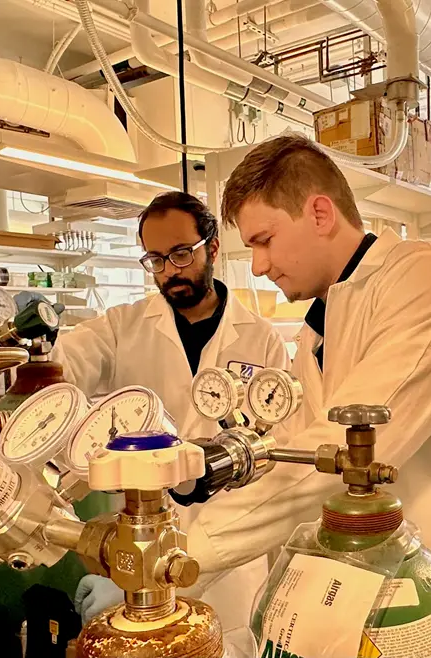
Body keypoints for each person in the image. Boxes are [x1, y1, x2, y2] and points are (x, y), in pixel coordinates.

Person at [179, 134, 431, 657]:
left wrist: (188, 557)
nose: (257, 265)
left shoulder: (428, 281)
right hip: (386, 597)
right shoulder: (318, 331)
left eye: (265, 240)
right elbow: (292, 459)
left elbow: (334, 454)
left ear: (319, 212)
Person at [52, 191, 289, 630]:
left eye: (181, 254)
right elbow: (66, 364)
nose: (169, 272)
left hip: (232, 543)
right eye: (156, 259)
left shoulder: (261, 338)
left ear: (212, 247)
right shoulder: (122, 327)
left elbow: (278, 449)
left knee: (230, 642)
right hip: (144, 535)